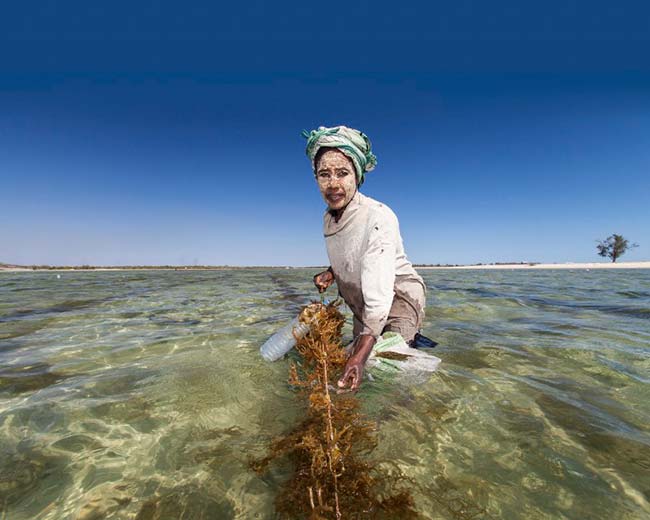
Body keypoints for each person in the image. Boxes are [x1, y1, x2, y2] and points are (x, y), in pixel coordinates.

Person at [303, 125, 432, 392]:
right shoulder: (329, 218)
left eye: (342, 173)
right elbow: (353, 253)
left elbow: (379, 286)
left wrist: (360, 357)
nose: (333, 184)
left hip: (396, 298)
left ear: (357, 176)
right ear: (315, 178)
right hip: (362, 303)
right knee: (352, 368)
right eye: (324, 174)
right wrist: (332, 271)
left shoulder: (378, 217)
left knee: (388, 376)